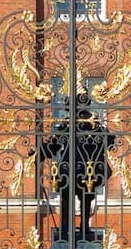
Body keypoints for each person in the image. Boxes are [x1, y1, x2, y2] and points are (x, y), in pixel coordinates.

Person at [37, 94, 113, 226]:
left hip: (86, 166)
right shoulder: (67, 124)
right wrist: (41, 151)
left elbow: (108, 142)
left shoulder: (92, 124)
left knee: (85, 196)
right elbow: (54, 145)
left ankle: (82, 227)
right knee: (69, 196)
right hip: (70, 167)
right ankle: (67, 227)